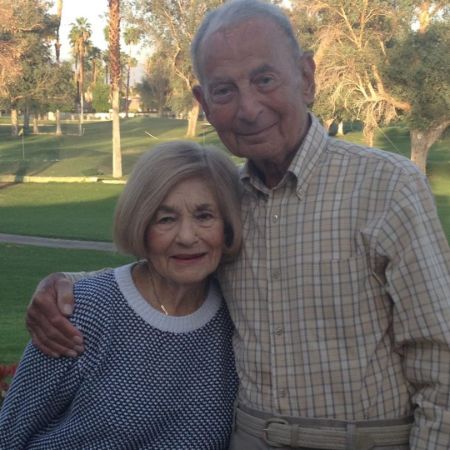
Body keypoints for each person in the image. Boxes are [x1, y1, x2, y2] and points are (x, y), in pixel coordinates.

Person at [25, 1, 450, 449]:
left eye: (265, 80)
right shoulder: (222, 203)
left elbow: (440, 355)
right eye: (224, 90)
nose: (248, 108)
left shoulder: (388, 185)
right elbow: (170, 273)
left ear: (306, 77)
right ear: (203, 102)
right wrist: (66, 287)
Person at [0, 141, 243, 449]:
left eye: (204, 216)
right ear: (140, 224)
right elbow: (9, 433)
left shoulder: (238, 316)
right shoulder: (82, 312)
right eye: (165, 219)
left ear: (228, 226)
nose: (186, 237)